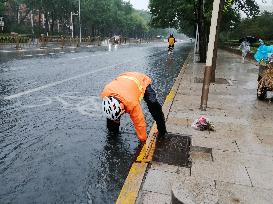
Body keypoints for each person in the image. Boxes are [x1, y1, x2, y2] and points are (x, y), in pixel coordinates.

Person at [101, 72, 167, 143]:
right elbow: (111, 109)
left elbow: (139, 123)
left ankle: (162, 131)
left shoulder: (131, 103)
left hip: (141, 80)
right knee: (112, 119)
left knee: (153, 104)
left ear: (122, 107)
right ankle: (113, 136)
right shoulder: (105, 94)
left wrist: (143, 140)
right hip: (125, 77)